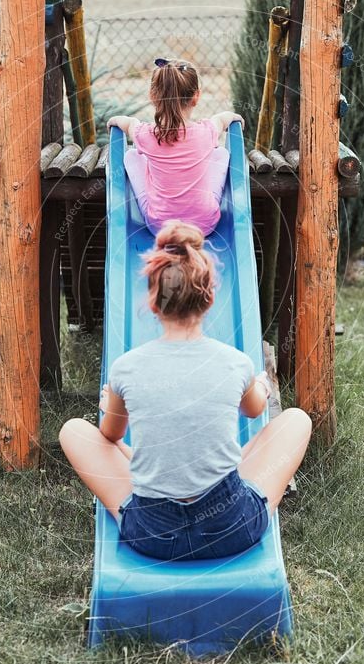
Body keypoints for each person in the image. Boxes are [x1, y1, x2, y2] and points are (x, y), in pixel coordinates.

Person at [59, 220, 312, 562]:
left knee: (74, 431)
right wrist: (262, 385)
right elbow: (254, 410)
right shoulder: (234, 363)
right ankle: (179, 477)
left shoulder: (127, 368)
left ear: (153, 302)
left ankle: (155, 474)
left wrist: (113, 407)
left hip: (152, 536)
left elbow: (109, 434)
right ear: (209, 299)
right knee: (295, 421)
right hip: (232, 529)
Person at [107, 57, 244, 237]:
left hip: (160, 227)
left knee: (133, 155)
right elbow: (220, 120)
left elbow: (129, 124)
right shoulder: (206, 132)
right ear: (196, 97)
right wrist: (234, 116)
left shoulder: (146, 135)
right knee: (221, 154)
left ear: (152, 96)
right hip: (204, 224)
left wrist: (116, 120)